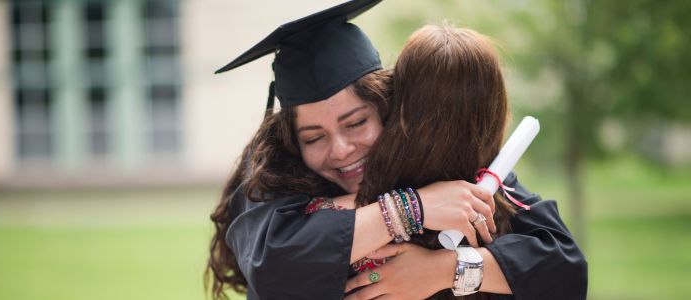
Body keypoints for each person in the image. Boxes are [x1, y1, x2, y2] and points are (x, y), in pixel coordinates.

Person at [207, 0, 587, 299]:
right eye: (313, 137)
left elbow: (563, 266)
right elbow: (274, 264)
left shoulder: (436, 163)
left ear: (389, 109)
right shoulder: (270, 174)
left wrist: (444, 270)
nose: (340, 150)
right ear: (291, 140)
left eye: (356, 123)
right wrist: (413, 209)